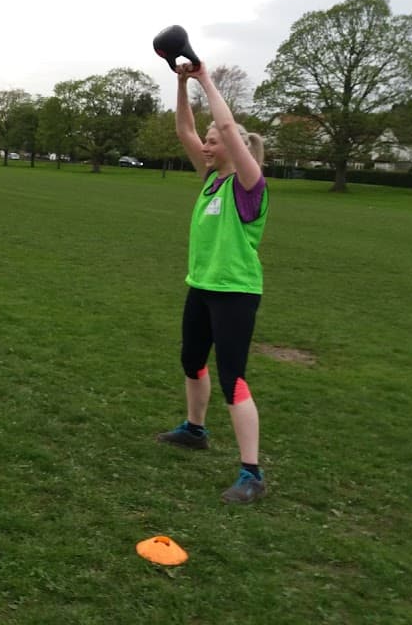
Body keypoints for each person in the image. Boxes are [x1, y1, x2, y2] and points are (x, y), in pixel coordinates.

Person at [156, 61, 270, 505]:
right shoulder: (210, 181)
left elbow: (224, 123)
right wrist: (181, 84)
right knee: (191, 360)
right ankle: (195, 430)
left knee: (233, 379)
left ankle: (251, 473)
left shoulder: (248, 185)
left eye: (213, 141)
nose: (205, 144)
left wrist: (205, 78)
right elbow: (183, 128)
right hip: (202, 286)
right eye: (206, 141)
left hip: (236, 293)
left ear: (234, 147)